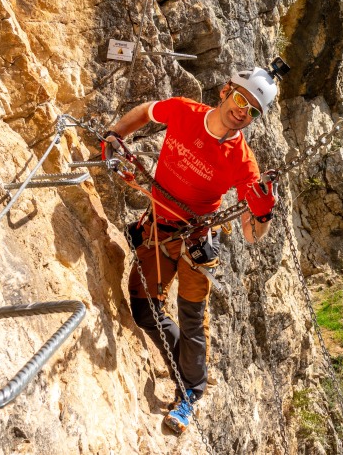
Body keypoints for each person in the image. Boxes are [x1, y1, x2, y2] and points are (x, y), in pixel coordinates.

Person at [102, 63, 286, 435]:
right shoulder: (184, 111)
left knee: (192, 320)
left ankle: (189, 393)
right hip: (158, 227)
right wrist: (113, 137)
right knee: (142, 311)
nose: (242, 111)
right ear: (224, 91)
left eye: (252, 110)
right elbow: (144, 112)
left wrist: (263, 212)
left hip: (196, 240)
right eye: (240, 99)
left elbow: (252, 235)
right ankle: (185, 365)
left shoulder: (243, 162)